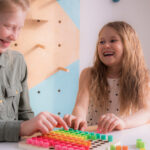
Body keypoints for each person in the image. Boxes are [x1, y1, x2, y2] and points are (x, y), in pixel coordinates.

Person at [64, 21, 150, 133]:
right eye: (101, 42)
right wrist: (77, 120)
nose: (106, 45)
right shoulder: (88, 74)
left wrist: (123, 122)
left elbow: (146, 111)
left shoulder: (142, 76)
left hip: (123, 137)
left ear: (129, 45)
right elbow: (80, 106)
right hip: (94, 137)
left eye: (113, 40)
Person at [0, 0, 68, 142]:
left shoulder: (18, 61)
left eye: (19, 28)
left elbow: (24, 113)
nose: (15, 36)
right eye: (8, 26)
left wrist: (38, 127)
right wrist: (22, 127)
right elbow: (24, 125)